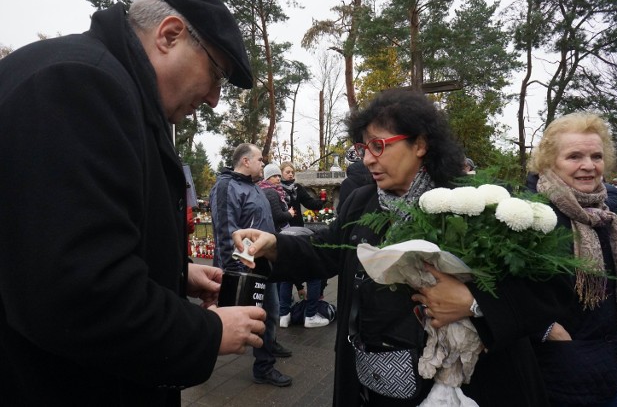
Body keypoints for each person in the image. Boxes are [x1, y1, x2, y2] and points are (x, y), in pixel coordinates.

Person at [0, 0, 267, 405]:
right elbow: (80, 295)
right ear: (169, 34)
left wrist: (174, 275)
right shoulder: (81, 85)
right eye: (216, 74)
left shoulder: (102, 82)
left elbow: (55, 247)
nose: (216, 99)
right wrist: (210, 332)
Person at [231, 89, 574, 407]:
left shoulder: (475, 203)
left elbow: (548, 285)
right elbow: (327, 248)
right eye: (363, 148)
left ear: (420, 144)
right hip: (374, 381)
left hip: (466, 386)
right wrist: (275, 245)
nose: (367, 159)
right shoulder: (361, 201)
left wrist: (474, 303)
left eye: (378, 146)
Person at [526, 112, 617, 407]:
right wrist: (547, 330)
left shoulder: (604, 215)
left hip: (606, 367)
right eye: (574, 156)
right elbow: (502, 289)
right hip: (555, 376)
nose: (589, 166)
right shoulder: (529, 217)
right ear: (549, 162)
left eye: (596, 156)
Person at [209, 144, 293, 387]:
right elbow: (225, 231)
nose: (262, 163)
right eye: (259, 159)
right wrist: (236, 271)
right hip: (244, 267)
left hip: (262, 264)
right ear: (245, 161)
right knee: (227, 318)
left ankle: (268, 348)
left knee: (271, 311)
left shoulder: (253, 187)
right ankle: (262, 365)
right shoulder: (226, 186)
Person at [278, 161, 330, 328]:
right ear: (281, 173)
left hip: (298, 232)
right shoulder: (276, 190)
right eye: (287, 171)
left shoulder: (297, 188)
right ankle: (309, 314)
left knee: (286, 273)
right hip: (287, 233)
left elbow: (309, 204)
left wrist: (322, 201)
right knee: (309, 271)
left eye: (292, 171)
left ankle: (283, 315)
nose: (291, 174)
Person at [258, 163, 296, 232]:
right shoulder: (271, 192)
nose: (278, 178)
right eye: (274, 176)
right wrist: (290, 213)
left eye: (279, 176)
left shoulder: (265, 189)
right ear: (267, 178)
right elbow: (278, 216)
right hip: (277, 230)